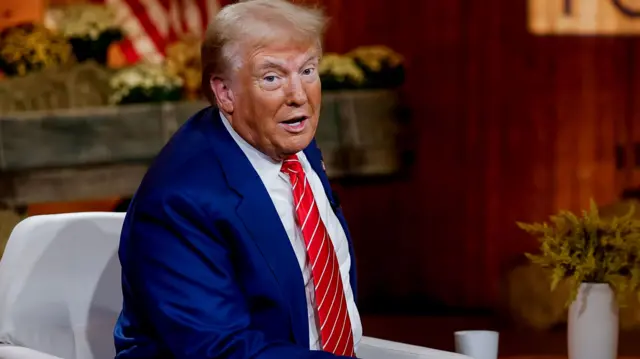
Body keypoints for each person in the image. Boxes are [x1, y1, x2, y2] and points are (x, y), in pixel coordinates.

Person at [113, 0, 362, 358]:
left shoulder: (290, 140)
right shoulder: (180, 201)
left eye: (307, 70)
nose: (298, 96)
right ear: (225, 92)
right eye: (272, 78)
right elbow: (220, 350)